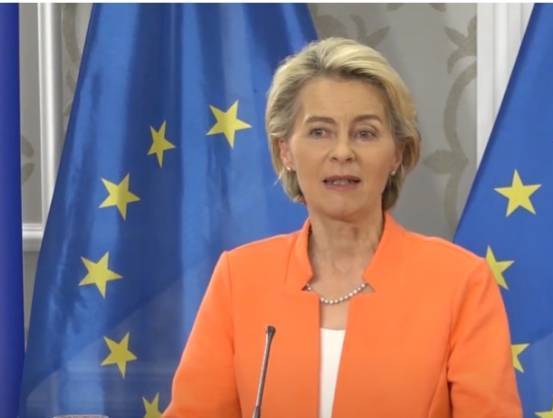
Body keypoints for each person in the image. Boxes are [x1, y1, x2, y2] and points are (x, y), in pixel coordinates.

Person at [165, 37, 522, 418]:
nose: (342, 153)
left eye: (365, 133)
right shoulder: (239, 278)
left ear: (396, 154)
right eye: (319, 131)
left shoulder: (460, 283)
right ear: (286, 150)